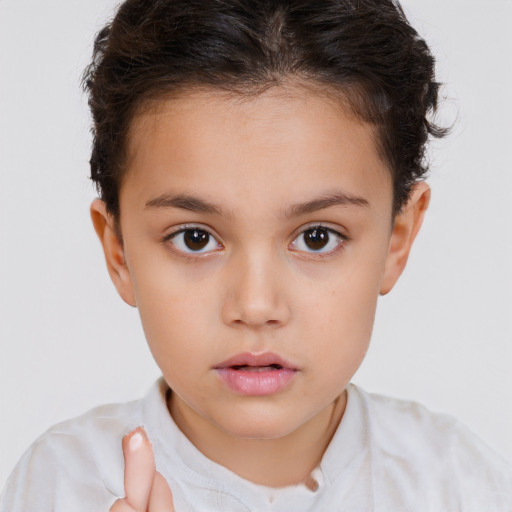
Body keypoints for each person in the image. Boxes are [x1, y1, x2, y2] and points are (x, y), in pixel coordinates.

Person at [1, 0, 511, 510]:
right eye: (195, 238)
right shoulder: (63, 485)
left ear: (397, 238)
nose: (256, 304)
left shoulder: (459, 486)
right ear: (119, 253)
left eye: (317, 237)